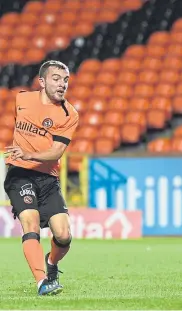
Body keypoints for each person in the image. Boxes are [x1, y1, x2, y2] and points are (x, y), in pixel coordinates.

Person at [4, 60, 79, 296]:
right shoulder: (22, 99)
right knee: (31, 222)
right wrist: (22, 155)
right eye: (56, 79)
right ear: (42, 81)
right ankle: (42, 282)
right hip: (19, 173)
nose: (62, 84)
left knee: (63, 235)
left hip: (48, 178)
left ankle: (52, 264)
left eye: (65, 80)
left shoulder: (69, 113)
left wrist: (29, 152)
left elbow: (56, 152)